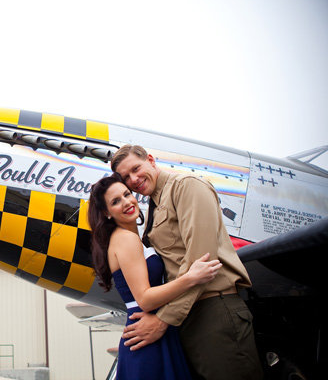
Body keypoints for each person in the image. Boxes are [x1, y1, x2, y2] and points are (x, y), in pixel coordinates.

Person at [111, 144, 263, 380]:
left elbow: (202, 260)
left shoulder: (187, 186)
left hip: (212, 308)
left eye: (136, 168)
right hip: (185, 317)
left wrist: (162, 320)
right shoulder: (154, 205)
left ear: (151, 160)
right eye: (126, 177)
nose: (134, 179)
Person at [88, 173, 222, 379]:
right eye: (116, 201)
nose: (126, 202)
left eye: (126, 194)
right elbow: (145, 299)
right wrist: (191, 278)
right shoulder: (125, 239)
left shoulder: (133, 238)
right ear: (106, 213)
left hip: (154, 331)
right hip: (146, 337)